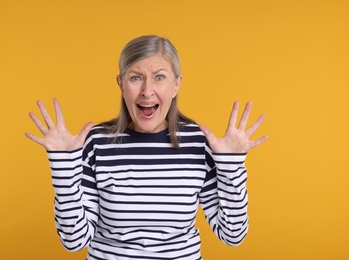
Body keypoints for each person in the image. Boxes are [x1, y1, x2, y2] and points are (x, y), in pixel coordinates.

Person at [25, 35, 268, 260]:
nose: (146, 91)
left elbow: (232, 235)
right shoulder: (95, 143)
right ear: (121, 84)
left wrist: (231, 166)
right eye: (135, 77)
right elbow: (74, 241)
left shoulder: (198, 143)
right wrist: (63, 165)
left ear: (176, 85)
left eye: (159, 77)